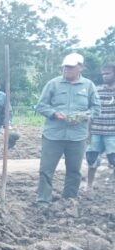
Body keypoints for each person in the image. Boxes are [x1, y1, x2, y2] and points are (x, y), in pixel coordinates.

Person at [35, 53, 100, 206]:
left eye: (71, 67)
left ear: (80, 67)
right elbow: (41, 105)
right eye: (65, 67)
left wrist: (84, 116)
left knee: (74, 171)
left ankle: (69, 199)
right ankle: (43, 200)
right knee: (46, 169)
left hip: (77, 137)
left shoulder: (89, 86)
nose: (67, 69)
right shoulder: (53, 84)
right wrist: (54, 113)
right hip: (53, 135)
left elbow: (96, 108)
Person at [86, 62, 115, 190]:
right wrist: (88, 131)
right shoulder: (96, 90)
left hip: (113, 132)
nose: (104, 76)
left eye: (107, 73)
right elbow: (90, 112)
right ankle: (89, 185)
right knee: (92, 159)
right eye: (103, 74)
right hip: (96, 130)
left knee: (113, 160)